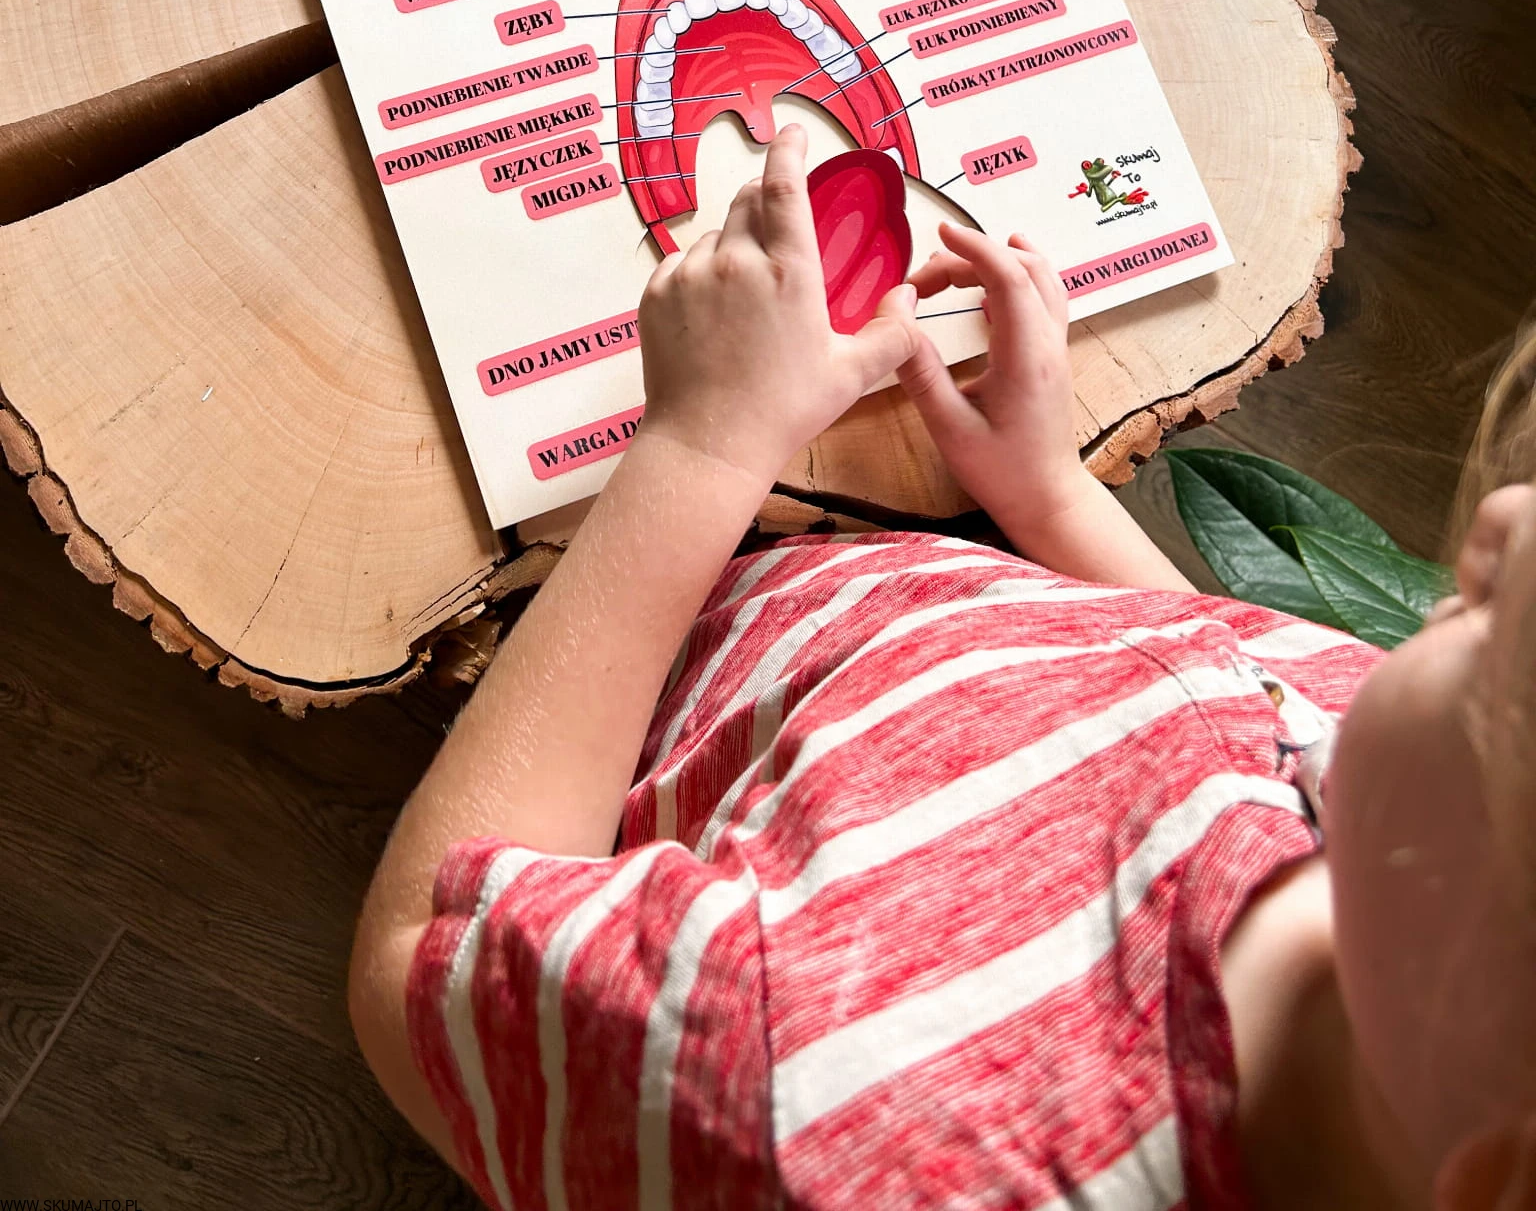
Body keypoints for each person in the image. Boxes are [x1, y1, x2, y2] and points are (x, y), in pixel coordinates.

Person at [349, 124, 1536, 1210]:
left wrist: (699, 446)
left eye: (1492, 639)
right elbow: (1235, 682)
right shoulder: (1407, 864)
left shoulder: (803, 1093)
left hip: (624, 689)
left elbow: (417, 961)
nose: (1503, 522)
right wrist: (1051, 493)